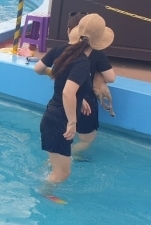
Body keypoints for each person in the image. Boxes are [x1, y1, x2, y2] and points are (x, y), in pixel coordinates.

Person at [32, 13, 114, 192]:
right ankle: (43, 193)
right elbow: (68, 92)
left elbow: (39, 69)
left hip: (52, 116)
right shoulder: (82, 61)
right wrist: (72, 122)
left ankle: (45, 185)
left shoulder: (64, 50)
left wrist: (79, 97)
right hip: (59, 122)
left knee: (61, 171)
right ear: (98, 42)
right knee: (62, 174)